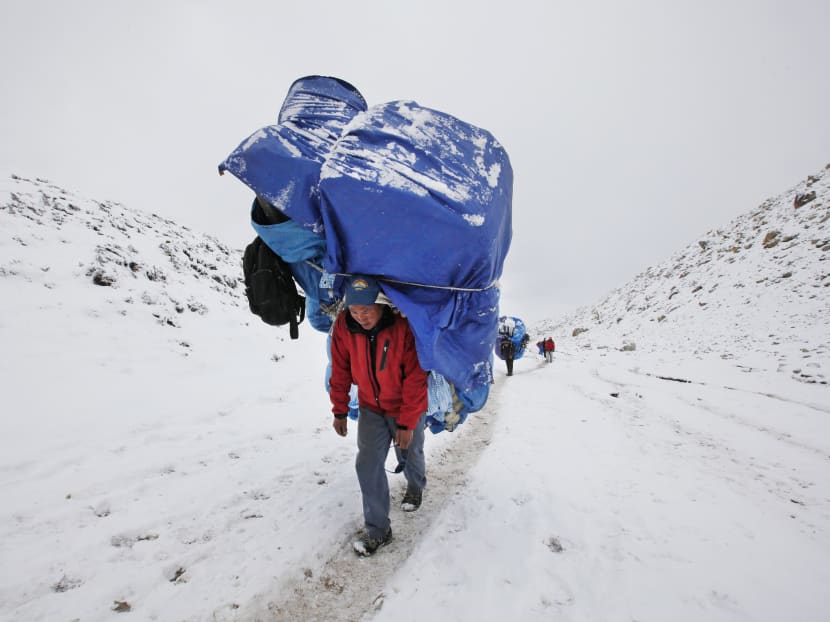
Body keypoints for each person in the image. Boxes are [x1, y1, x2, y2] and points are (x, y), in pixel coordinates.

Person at [329, 275, 428, 556]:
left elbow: (416, 378)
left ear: (381, 305)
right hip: (371, 408)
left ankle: (415, 486)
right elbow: (340, 370)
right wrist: (339, 410)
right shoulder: (344, 328)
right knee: (367, 464)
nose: (360, 317)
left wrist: (407, 423)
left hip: (405, 405)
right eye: (355, 311)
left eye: (367, 311)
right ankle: (378, 530)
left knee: (410, 453)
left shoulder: (403, 328)